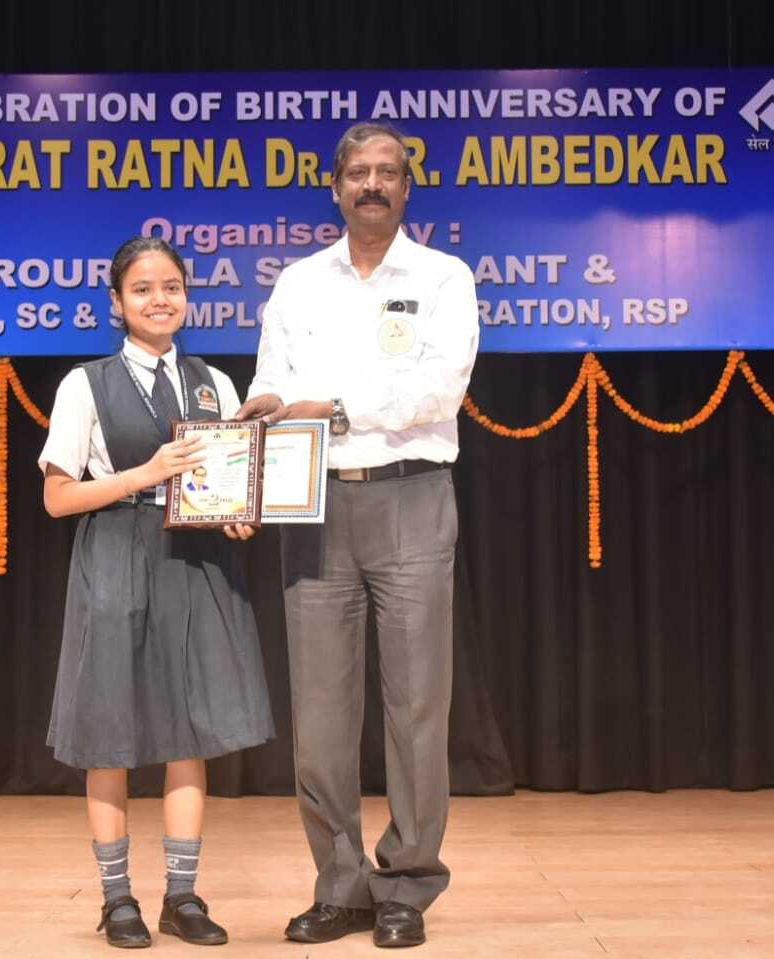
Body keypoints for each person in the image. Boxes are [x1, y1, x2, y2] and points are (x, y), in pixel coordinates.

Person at [237, 122, 479, 949]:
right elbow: (273, 379)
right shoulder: (299, 283)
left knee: (417, 706)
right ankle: (339, 885)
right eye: (358, 173)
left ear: (408, 187)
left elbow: (438, 389)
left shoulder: (443, 277)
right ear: (335, 187)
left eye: (388, 172)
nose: (372, 184)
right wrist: (264, 410)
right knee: (321, 713)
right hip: (312, 503)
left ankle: (407, 883)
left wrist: (333, 406)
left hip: (412, 494)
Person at [39, 236, 275, 949]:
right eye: (142, 289)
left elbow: (228, 482)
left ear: (187, 298)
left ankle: (183, 896)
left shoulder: (215, 383)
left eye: (171, 286)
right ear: (116, 303)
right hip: (115, 552)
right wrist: (145, 474)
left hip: (195, 560)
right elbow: (57, 497)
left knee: (189, 729)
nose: (159, 299)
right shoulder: (86, 384)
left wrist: (238, 515)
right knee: (108, 732)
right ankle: (117, 900)